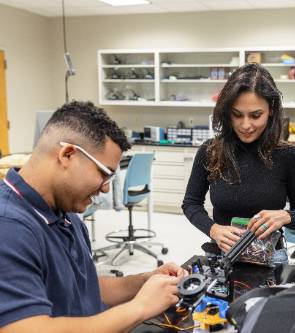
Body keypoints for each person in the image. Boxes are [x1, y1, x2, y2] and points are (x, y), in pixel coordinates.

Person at [0, 101, 187, 332]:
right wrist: (139, 307)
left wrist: (144, 281)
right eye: (103, 173)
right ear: (68, 154)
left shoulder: (68, 216)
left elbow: (85, 287)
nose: (107, 189)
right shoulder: (9, 226)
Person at [182, 63, 295, 254]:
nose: (246, 125)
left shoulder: (289, 156)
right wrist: (214, 230)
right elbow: (191, 203)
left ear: (271, 110)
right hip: (222, 257)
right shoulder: (210, 151)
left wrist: (285, 216)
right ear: (227, 112)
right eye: (237, 115)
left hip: (271, 259)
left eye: (255, 115)